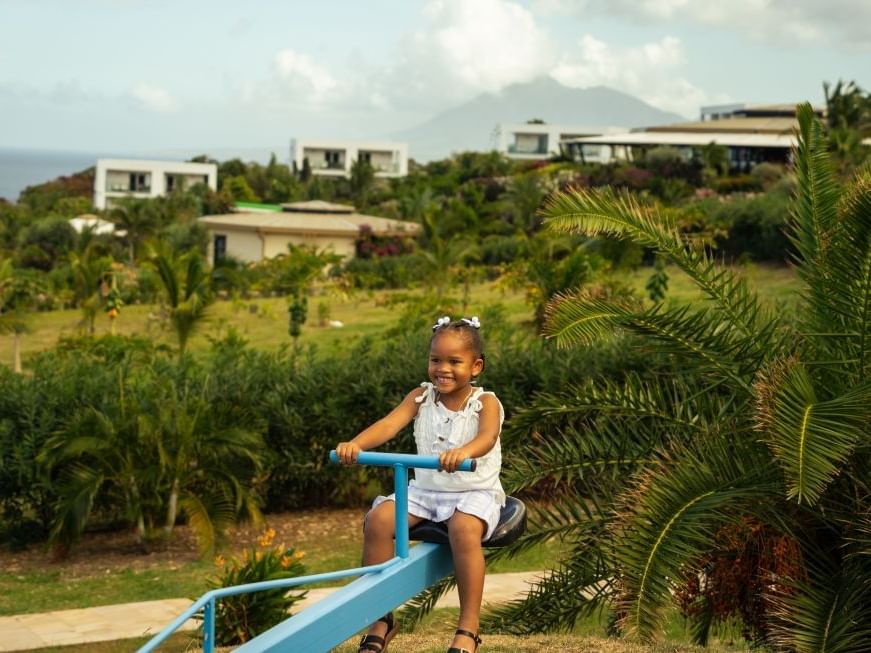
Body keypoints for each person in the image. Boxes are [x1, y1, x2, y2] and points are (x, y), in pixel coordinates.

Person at [335, 316, 505, 653]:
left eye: (455, 361)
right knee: (379, 519)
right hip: (426, 492)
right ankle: (381, 617)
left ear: (476, 367)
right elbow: (388, 425)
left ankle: (468, 627)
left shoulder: (485, 403)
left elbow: (487, 437)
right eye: (436, 360)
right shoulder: (421, 397)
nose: (443, 368)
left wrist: (464, 452)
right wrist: (356, 445)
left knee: (463, 528)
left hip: (473, 491)